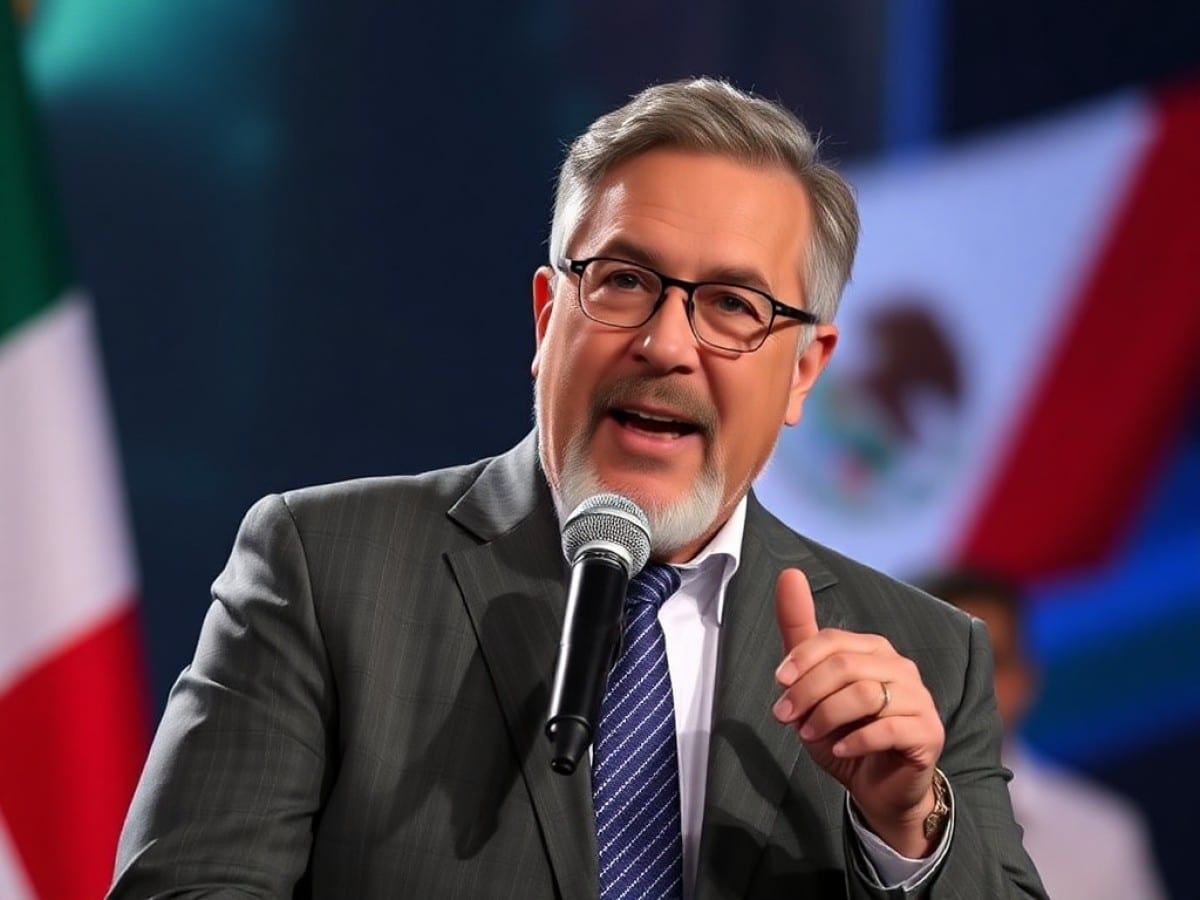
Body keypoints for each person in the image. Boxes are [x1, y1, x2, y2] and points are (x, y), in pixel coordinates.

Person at [110, 78, 1046, 899]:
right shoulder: (324, 569)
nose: (665, 344)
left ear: (804, 370)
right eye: (625, 281)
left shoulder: (932, 658)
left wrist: (906, 832)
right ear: (548, 315)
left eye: (733, 305)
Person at [917, 568, 1169, 900]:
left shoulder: (1101, 836)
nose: (970, 683)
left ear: (1026, 678)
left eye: (992, 661)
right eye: (948, 662)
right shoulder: (850, 823)